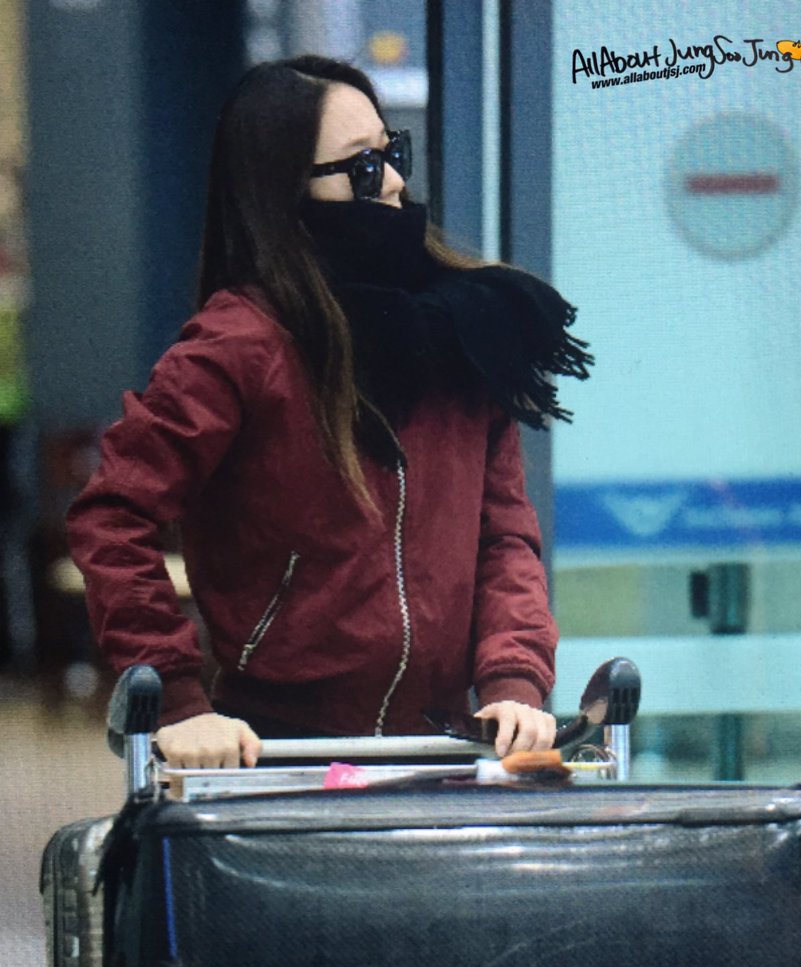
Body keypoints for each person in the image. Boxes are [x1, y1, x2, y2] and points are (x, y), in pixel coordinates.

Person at [66, 55, 592, 769]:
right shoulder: (241, 345)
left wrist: (513, 681)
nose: (396, 183)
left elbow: (502, 538)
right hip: (272, 755)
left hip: (444, 747)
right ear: (287, 193)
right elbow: (113, 515)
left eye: (392, 153)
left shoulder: (465, 328)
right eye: (364, 168)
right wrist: (179, 700)